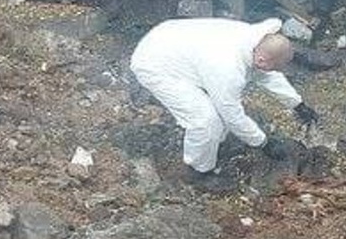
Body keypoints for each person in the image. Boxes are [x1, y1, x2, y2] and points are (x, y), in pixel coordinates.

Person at [130, 16, 319, 189]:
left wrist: (297, 104)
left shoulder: (255, 40)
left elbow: (269, 75)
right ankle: (198, 172)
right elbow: (231, 114)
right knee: (205, 120)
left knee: (215, 116)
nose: (274, 71)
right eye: (272, 67)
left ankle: (209, 148)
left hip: (175, 43)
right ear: (261, 60)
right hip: (155, 63)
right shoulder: (228, 69)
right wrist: (263, 142)